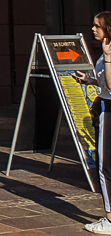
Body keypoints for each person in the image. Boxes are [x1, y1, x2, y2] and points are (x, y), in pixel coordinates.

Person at [77, 12, 111, 234]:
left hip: (110, 110)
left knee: (105, 166)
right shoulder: (103, 55)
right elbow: (104, 82)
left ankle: (109, 220)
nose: (93, 29)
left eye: (97, 26)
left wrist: (108, 55)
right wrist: (89, 80)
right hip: (106, 106)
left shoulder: (108, 53)